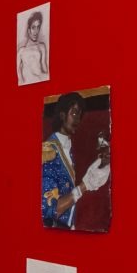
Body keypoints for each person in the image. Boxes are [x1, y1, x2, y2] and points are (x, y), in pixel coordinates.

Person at [41, 92, 110, 229]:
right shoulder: (48, 152)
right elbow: (49, 212)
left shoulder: (67, 149)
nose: (78, 119)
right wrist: (85, 185)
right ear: (62, 115)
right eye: (74, 113)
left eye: (80, 115)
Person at [18, 10, 49, 85]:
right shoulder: (21, 51)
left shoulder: (41, 46)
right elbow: (19, 73)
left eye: (38, 27)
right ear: (28, 30)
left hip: (40, 81)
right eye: (33, 27)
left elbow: (45, 69)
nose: (36, 31)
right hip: (26, 84)